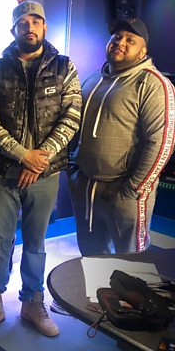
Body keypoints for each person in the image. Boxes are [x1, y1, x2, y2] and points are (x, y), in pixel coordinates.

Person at [0, 0, 82, 337]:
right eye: (23, 22)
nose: (30, 27)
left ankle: (32, 300)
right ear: (14, 30)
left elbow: (72, 116)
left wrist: (40, 158)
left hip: (46, 173)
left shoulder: (64, 67)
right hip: (3, 170)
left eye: (36, 21)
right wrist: (23, 156)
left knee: (36, 242)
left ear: (44, 27)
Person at [69, 18, 175, 256]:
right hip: (86, 188)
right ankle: (96, 286)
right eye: (116, 37)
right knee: (91, 256)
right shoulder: (93, 80)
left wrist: (133, 189)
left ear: (143, 51)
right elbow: (74, 127)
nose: (120, 42)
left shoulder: (153, 84)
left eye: (130, 40)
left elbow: (162, 143)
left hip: (124, 194)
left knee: (132, 262)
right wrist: (73, 168)